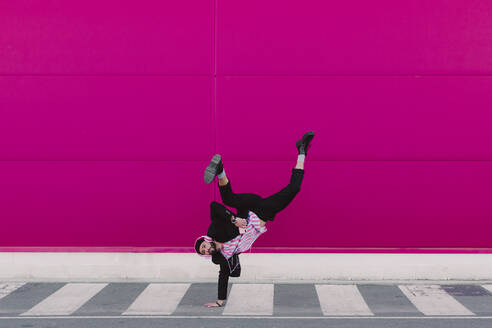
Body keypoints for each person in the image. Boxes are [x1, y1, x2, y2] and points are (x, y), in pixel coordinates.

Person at [194, 131, 315, 308]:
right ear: (206, 255)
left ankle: (220, 170)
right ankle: (302, 150)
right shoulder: (224, 256)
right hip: (263, 213)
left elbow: (214, 206)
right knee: (294, 189)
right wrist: (219, 302)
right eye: (203, 251)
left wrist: (234, 219)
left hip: (247, 209)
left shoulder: (215, 232)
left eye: (203, 246)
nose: (205, 249)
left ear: (206, 240)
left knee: (228, 200)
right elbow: (223, 275)